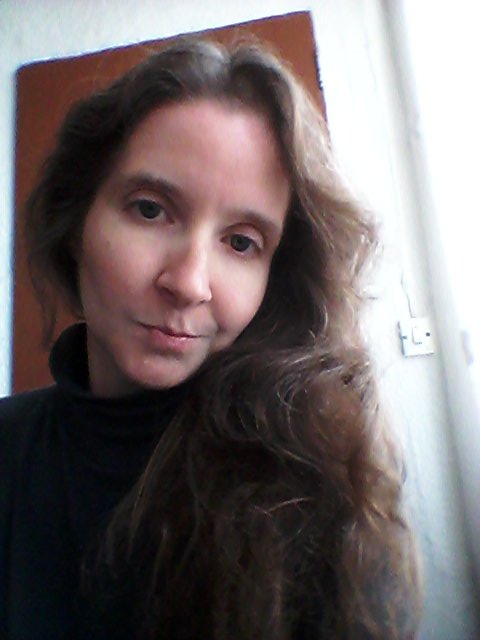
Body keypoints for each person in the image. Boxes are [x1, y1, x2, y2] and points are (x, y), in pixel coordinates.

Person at [0, 37, 421, 639]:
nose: (189, 283)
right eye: (150, 210)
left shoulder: (323, 481)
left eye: (241, 242)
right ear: (76, 222)